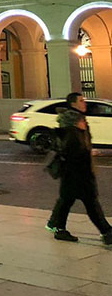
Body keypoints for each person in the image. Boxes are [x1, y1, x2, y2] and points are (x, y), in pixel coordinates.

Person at [46, 92, 112, 244]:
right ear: (73, 104)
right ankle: (106, 231)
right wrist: (88, 152)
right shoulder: (72, 125)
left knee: (67, 200)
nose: (85, 103)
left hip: (74, 172)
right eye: (81, 101)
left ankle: (57, 227)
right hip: (77, 172)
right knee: (90, 202)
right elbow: (73, 149)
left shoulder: (77, 122)